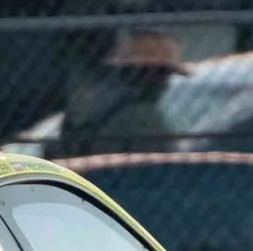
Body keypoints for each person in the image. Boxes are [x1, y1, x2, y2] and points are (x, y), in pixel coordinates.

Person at [55, 29, 190, 156]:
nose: (165, 83)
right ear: (151, 74)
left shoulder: (86, 106)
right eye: (164, 75)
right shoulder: (139, 117)